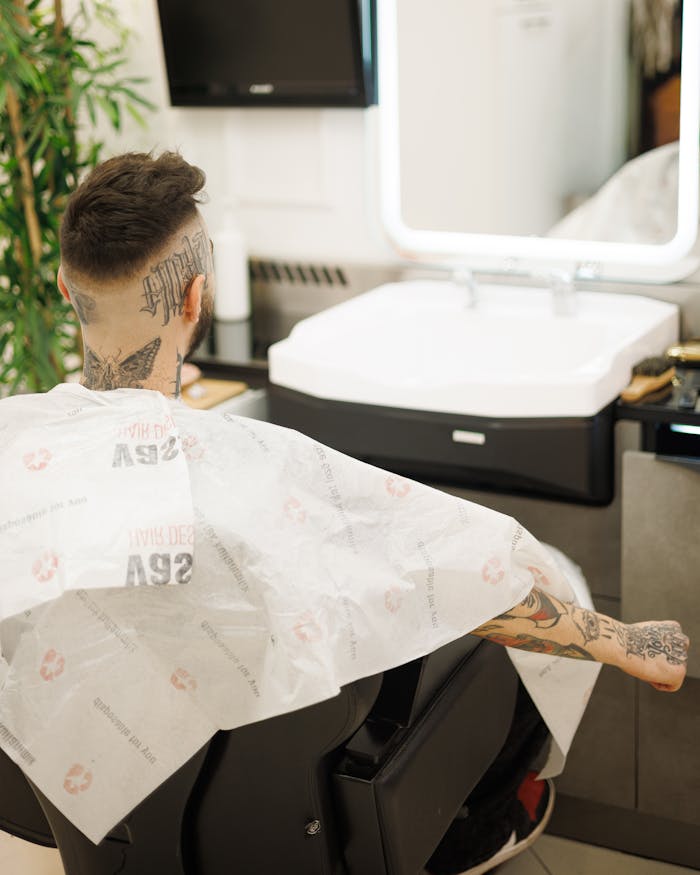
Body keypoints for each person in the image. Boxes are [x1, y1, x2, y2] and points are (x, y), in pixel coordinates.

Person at [2, 151, 690, 871]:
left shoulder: (17, 451)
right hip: (291, 800)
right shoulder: (257, 470)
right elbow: (460, 577)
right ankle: (479, 826)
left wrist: (150, 413)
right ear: (194, 298)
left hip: (106, 802)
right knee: (538, 593)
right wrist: (620, 637)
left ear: (64, 288)